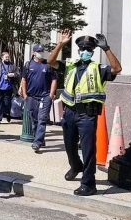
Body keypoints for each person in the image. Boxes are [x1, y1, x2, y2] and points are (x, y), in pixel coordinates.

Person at [48, 30, 122, 196]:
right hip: (69, 113)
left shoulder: (98, 69)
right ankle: (76, 166)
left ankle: (88, 184)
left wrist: (106, 48)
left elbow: (117, 68)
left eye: (89, 49)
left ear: (92, 52)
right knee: (69, 146)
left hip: (87, 115)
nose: (85, 52)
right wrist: (61, 44)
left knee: (88, 150)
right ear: (79, 51)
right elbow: (50, 61)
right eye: (83, 49)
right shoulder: (71, 66)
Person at [20, 44, 57, 153]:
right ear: (34, 53)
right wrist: (25, 94)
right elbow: (23, 80)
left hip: (45, 97)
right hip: (31, 97)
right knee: (34, 119)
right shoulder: (28, 65)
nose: (41, 53)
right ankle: (39, 138)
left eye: (42, 51)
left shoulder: (48, 65)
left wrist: (51, 94)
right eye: (39, 51)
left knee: (42, 119)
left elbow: (54, 80)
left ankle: (37, 142)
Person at [0, 52, 20, 125]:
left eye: (8, 57)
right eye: (6, 57)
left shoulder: (12, 66)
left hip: (8, 88)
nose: (7, 58)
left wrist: (13, 74)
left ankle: (7, 113)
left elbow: (18, 74)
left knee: (7, 103)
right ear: (2, 57)